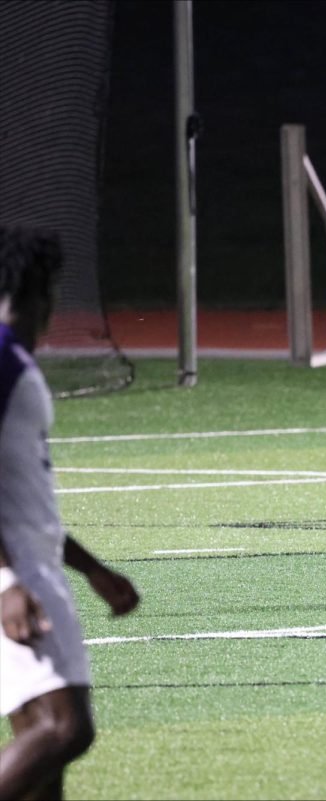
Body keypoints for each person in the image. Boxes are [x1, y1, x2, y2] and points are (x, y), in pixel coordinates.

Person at [0, 226, 140, 800]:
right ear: (44, 298)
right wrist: (9, 581)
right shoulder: (4, 363)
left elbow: (26, 501)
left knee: (42, 760)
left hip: (32, 566)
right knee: (65, 726)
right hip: (16, 578)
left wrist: (92, 569)